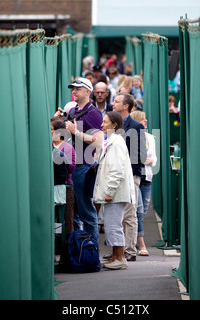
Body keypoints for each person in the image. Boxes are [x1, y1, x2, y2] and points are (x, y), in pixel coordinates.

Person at [54, 77, 103, 242]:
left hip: (84, 167)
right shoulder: (72, 111)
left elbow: (98, 142)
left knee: (86, 212)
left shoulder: (94, 113)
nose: (73, 92)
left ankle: (91, 251)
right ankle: (77, 252)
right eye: (72, 89)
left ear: (87, 92)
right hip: (70, 167)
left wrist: (76, 132)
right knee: (72, 213)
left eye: (77, 89)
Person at [94, 111, 135, 270]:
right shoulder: (112, 142)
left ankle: (120, 258)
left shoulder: (116, 143)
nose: (102, 125)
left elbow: (116, 170)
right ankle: (115, 256)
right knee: (112, 225)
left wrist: (109, 191)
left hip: (115, 194)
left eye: (105, 122)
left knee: (114, 225)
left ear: (114, 125)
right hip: (113, 193)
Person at [111, 93, 147, 261]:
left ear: (125, 106)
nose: (113, 103)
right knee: (116, 213)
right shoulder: (112, 125)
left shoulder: (136, 126)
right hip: (114, 175)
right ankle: (117, 251)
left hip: (130, 175)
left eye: (116, 101)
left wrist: (130, 173)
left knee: (129, 213)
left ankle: (130, 250)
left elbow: (140, 154)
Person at [130, 111, 157, 256]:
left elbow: (155, 159)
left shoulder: (151, 138)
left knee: (143, 212)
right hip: (136, 176)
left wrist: (151, 161)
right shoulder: (131, 137)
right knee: (138, 211)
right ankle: (141, 245)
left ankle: (132, 238)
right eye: (142, 119)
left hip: (147, 177)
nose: (145, 120)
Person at [51, 118, 76, 234]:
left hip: (65, 187)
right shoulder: (48, 146)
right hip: (53, 186)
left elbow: (70, 168)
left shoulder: (67, 147)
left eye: (51, 129)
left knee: (67, 219)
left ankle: (68, 247)